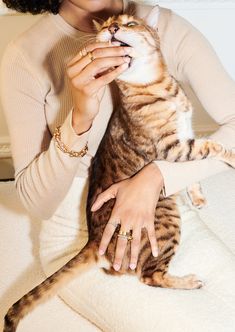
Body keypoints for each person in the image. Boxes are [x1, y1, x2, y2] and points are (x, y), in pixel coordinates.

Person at [1, 0, 235, 330]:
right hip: (83, 237)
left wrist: (157, 177)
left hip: (165, 211)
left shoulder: (158, 26)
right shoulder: (25, 56)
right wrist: (80, 116)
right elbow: (37, 203)